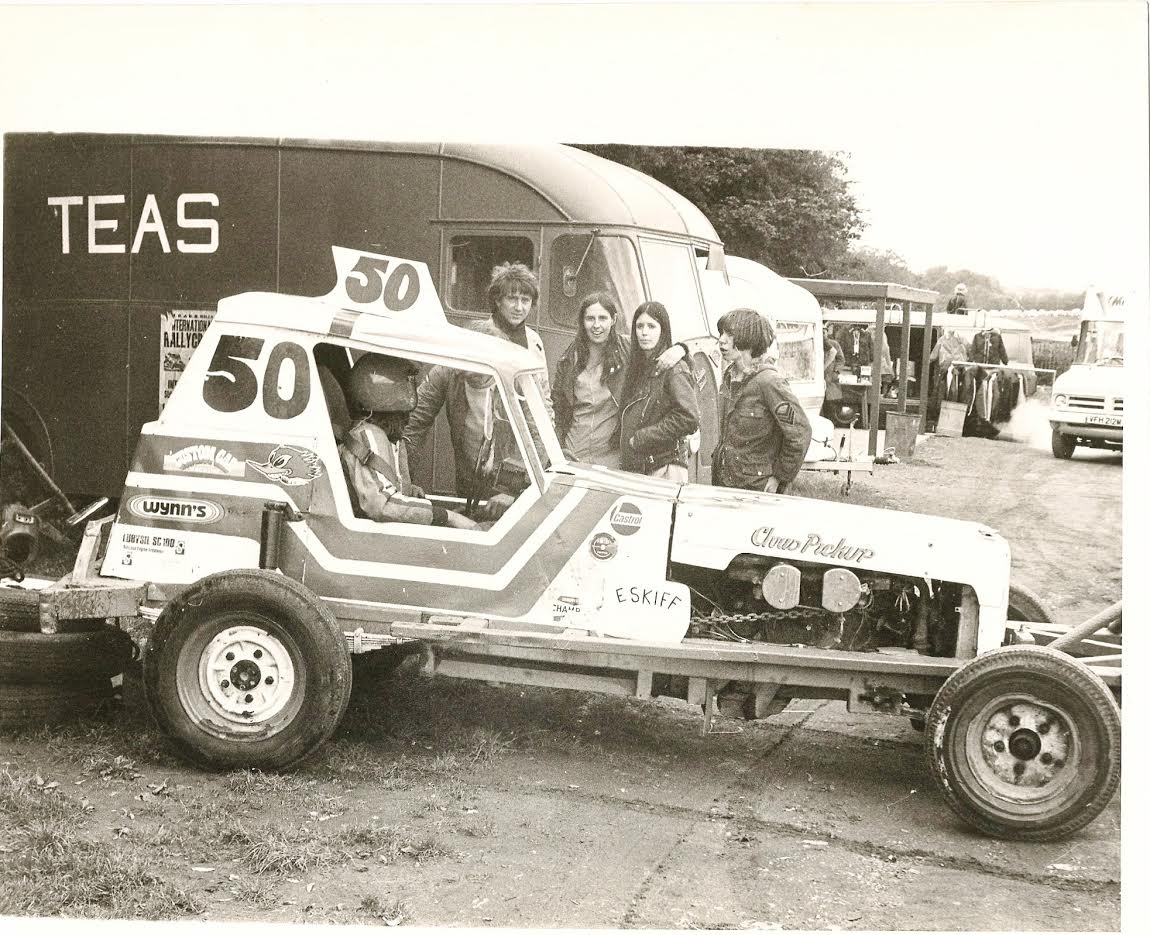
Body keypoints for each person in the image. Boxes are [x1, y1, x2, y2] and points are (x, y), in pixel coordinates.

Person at [404, 261, 550, 519]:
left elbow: (540, 426)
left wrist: (513, 489)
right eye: (512, 298)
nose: (519, 307)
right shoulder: (448, 370)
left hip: (510, 471)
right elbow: (413, 423)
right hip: (470, 468)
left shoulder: (520, 369)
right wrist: (402, 479)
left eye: (525, 300)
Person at [340, 353, 476, 529]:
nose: (408, 417)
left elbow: (380, 483)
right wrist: (448, 517)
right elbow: (381, 506)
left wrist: (407, 489)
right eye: (403, 389)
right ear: (383, 400)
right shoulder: (369, 436)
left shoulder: (386, 437)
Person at [551, 292, 687, 468]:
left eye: (603, 318)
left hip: (612, 455)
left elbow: (659, 349)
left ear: (613, 319)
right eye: (590, 319)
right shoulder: (570, 358)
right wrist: (557, 448)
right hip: (574, 451)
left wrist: (681, 349)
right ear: (582, 321)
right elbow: (558, 408)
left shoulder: (628, 349)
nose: (596, 325)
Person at [712, 308, 811, 494]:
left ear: (749, 338)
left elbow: (799, 432)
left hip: (756, 486)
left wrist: (780, 477)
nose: (722, 340)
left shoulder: (770, 382)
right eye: (721, 333)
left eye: (729, 334)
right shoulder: (729, 376)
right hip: (725, 482)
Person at [618, 301, 699, 482]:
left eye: (651, 326)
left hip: (665, 468)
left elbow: (689, 418)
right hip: (643, 467)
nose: (644, 332)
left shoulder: (674, 368)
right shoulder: (640, 366)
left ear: (663, 330)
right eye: (639, 326)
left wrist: (642, 438)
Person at [820, 322, 845, 421]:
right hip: (819, 378)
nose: (822, 334)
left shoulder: (834, 344)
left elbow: (841, 359)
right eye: (820, 332)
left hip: (830, 378)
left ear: (827, 333)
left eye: (824, 332)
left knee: (831, 404)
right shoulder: (815, 344)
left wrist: (836, 371)